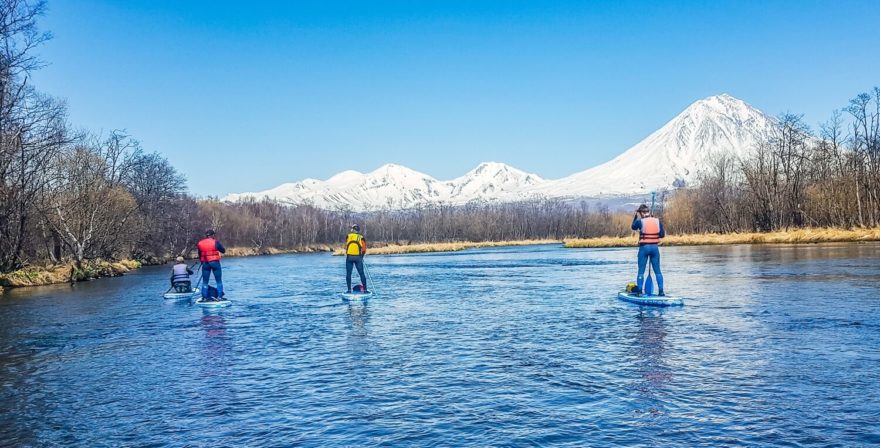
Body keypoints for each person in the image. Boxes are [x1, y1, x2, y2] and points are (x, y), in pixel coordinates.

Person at [631, 204, 665, 296]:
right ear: (649, 212)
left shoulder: (640, 221)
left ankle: (639, 292)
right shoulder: (657, 221)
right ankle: (661, 292)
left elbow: (633, 227)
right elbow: (662, 235)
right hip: (655, 248)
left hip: (644, 248)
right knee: (658, 271)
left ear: (641, 213)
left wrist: (635, 217)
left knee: (641, 271)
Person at [198, 229, 226, 300]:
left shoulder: (200, 243)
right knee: (218, 280)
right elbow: (223, 250)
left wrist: (202, 261)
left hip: (205, 263)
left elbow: (199, 254)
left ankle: (204, 297)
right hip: (215, 263)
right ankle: (220, 296)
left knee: (205, 281)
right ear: (212, 235)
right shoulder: (215, 242)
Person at [345, 224, 368, 293]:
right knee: (361, 274)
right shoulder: (361, 237)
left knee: (348, 274)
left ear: (352, 229)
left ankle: (349, 290)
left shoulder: (348, 236)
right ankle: (365, 290)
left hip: (349, 257)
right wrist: (362, 256)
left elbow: (347, 244)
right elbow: (364, 249)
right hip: (358, 257)